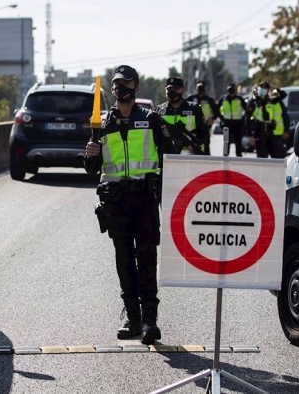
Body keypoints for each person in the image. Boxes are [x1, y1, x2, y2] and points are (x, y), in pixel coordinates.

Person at [84, 65, 179, 345]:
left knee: (147, 259)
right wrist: (90, 155)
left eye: (126, 83)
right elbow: (91, 168)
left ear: (136, 87)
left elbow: (171, 156)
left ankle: (151, 321)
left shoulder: (151, 120)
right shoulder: (101, 124)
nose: (120, 87)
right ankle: (133, 319)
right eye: (116, 83)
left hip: (145, 199)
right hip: (116, 202)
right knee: (124, 260)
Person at [155, 77, 205, 154]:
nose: (172, 91)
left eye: (176, 89)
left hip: (188, 158)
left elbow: (203, 133)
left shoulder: (194, 108)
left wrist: (195, 145)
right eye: (169, 89)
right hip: (165, 157)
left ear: (182, 90)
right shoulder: (159, 110)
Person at [246, 81, 286, 158]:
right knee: (262, 156)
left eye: (265, 88)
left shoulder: (270, 101)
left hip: (270, 130)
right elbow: (247, 119)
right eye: (261, 88)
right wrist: (250, 135)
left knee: (276, 155)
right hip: (259, 131)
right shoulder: (254, 102)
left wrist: (274, 88)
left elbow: (283, 95)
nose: (263, 90)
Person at [217, 83, 248, 157]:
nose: (231, 91)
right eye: (229, 89)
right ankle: (225, 157)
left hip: (237, 124)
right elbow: (216, 109)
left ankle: (239, 157)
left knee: (238, 142)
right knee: (226, 142)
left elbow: (246, 110)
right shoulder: (223, 99)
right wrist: (221, 118)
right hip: (227, 123)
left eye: (232, 89)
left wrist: (243, 119)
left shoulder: (239, 99)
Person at [188, 81, 218, 155]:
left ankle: (207, 160)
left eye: (202, 89)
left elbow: (216, 111)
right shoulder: (191, 98)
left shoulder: (209, 100)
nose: (200, 91)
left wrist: (212, 118)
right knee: (193, 144)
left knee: (206, 144)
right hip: (193, 125)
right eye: (199, 89)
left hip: (205, 125)